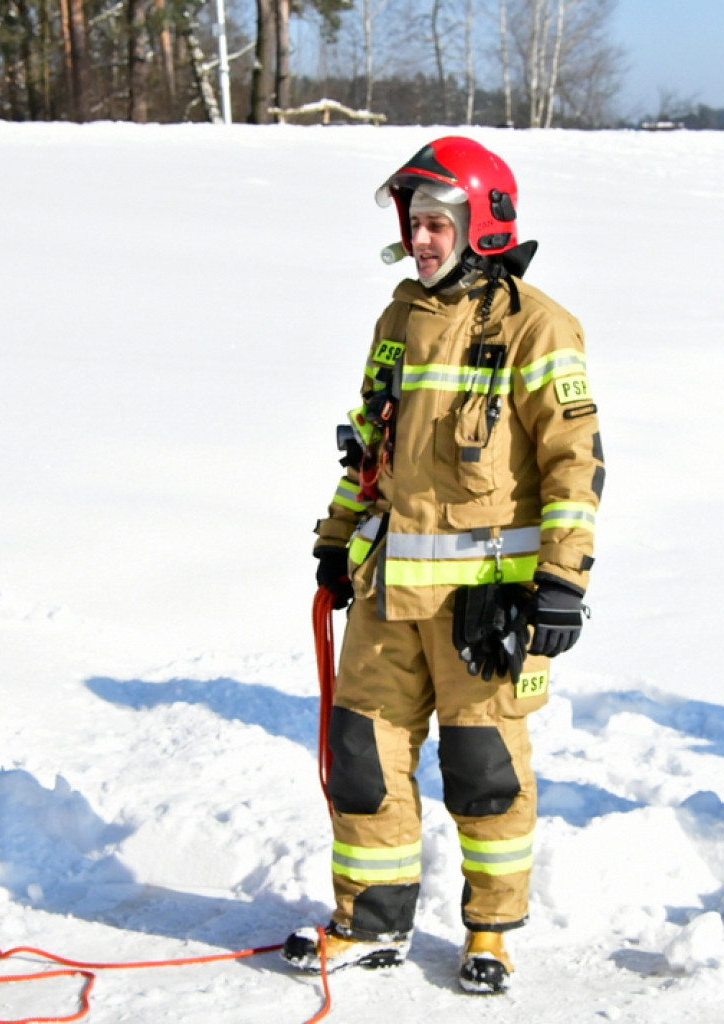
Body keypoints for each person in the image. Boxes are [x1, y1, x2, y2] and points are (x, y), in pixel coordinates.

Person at [281, 135, 604, 993]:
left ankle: (491, 931)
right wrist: (335, 532)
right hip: (386, 592)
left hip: (484, 607)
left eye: (437, 222)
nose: (422, 238)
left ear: (482, 222)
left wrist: (564, 579)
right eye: (414, 222)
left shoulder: (539, 323)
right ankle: (369, 920)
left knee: (484, 772)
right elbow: (370, 445)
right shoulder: (397, 319)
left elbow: (575, 460)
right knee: (361, 754)